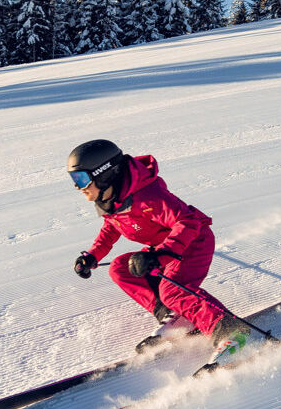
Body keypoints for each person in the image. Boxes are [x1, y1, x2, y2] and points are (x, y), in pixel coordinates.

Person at [66, 139, 256, 368]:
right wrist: (93, 255)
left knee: (173, 290)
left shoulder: (149, 196)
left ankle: (230, 332)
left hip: (193, 243)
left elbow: (187, 221)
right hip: (163, 248)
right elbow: (111, 228)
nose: (78, 187)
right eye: (74, 180)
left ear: (104, 174)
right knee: (120, 269)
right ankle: (178, 316)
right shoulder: (113, 198)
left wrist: (160, 255)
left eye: (81, 179)